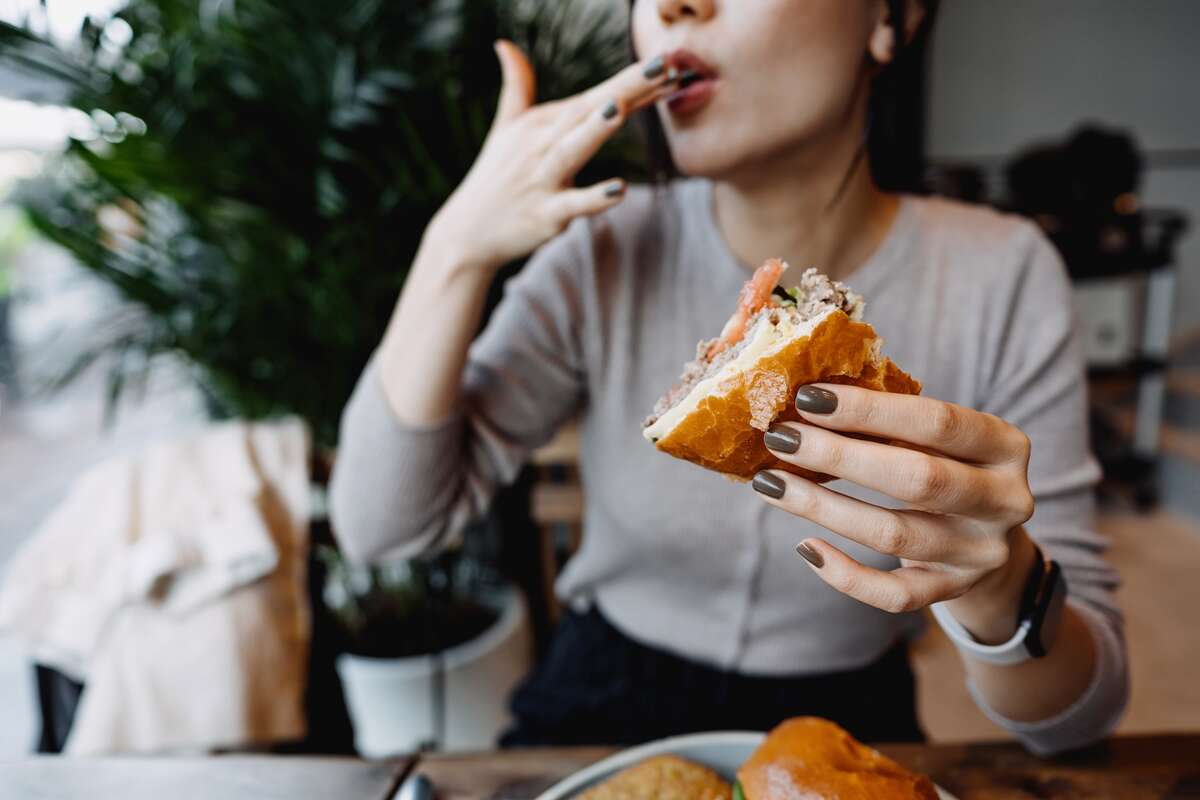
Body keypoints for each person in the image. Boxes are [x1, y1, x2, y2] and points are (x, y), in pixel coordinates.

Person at [330, 0, 1127, 754]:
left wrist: (1000, 588)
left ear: (888, 19)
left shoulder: (1004, 273)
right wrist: (453, 249)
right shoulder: (602, 251)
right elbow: (383, 527)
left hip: (848, 719)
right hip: (593, 700)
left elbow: (1073, 725)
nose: (674, 5)